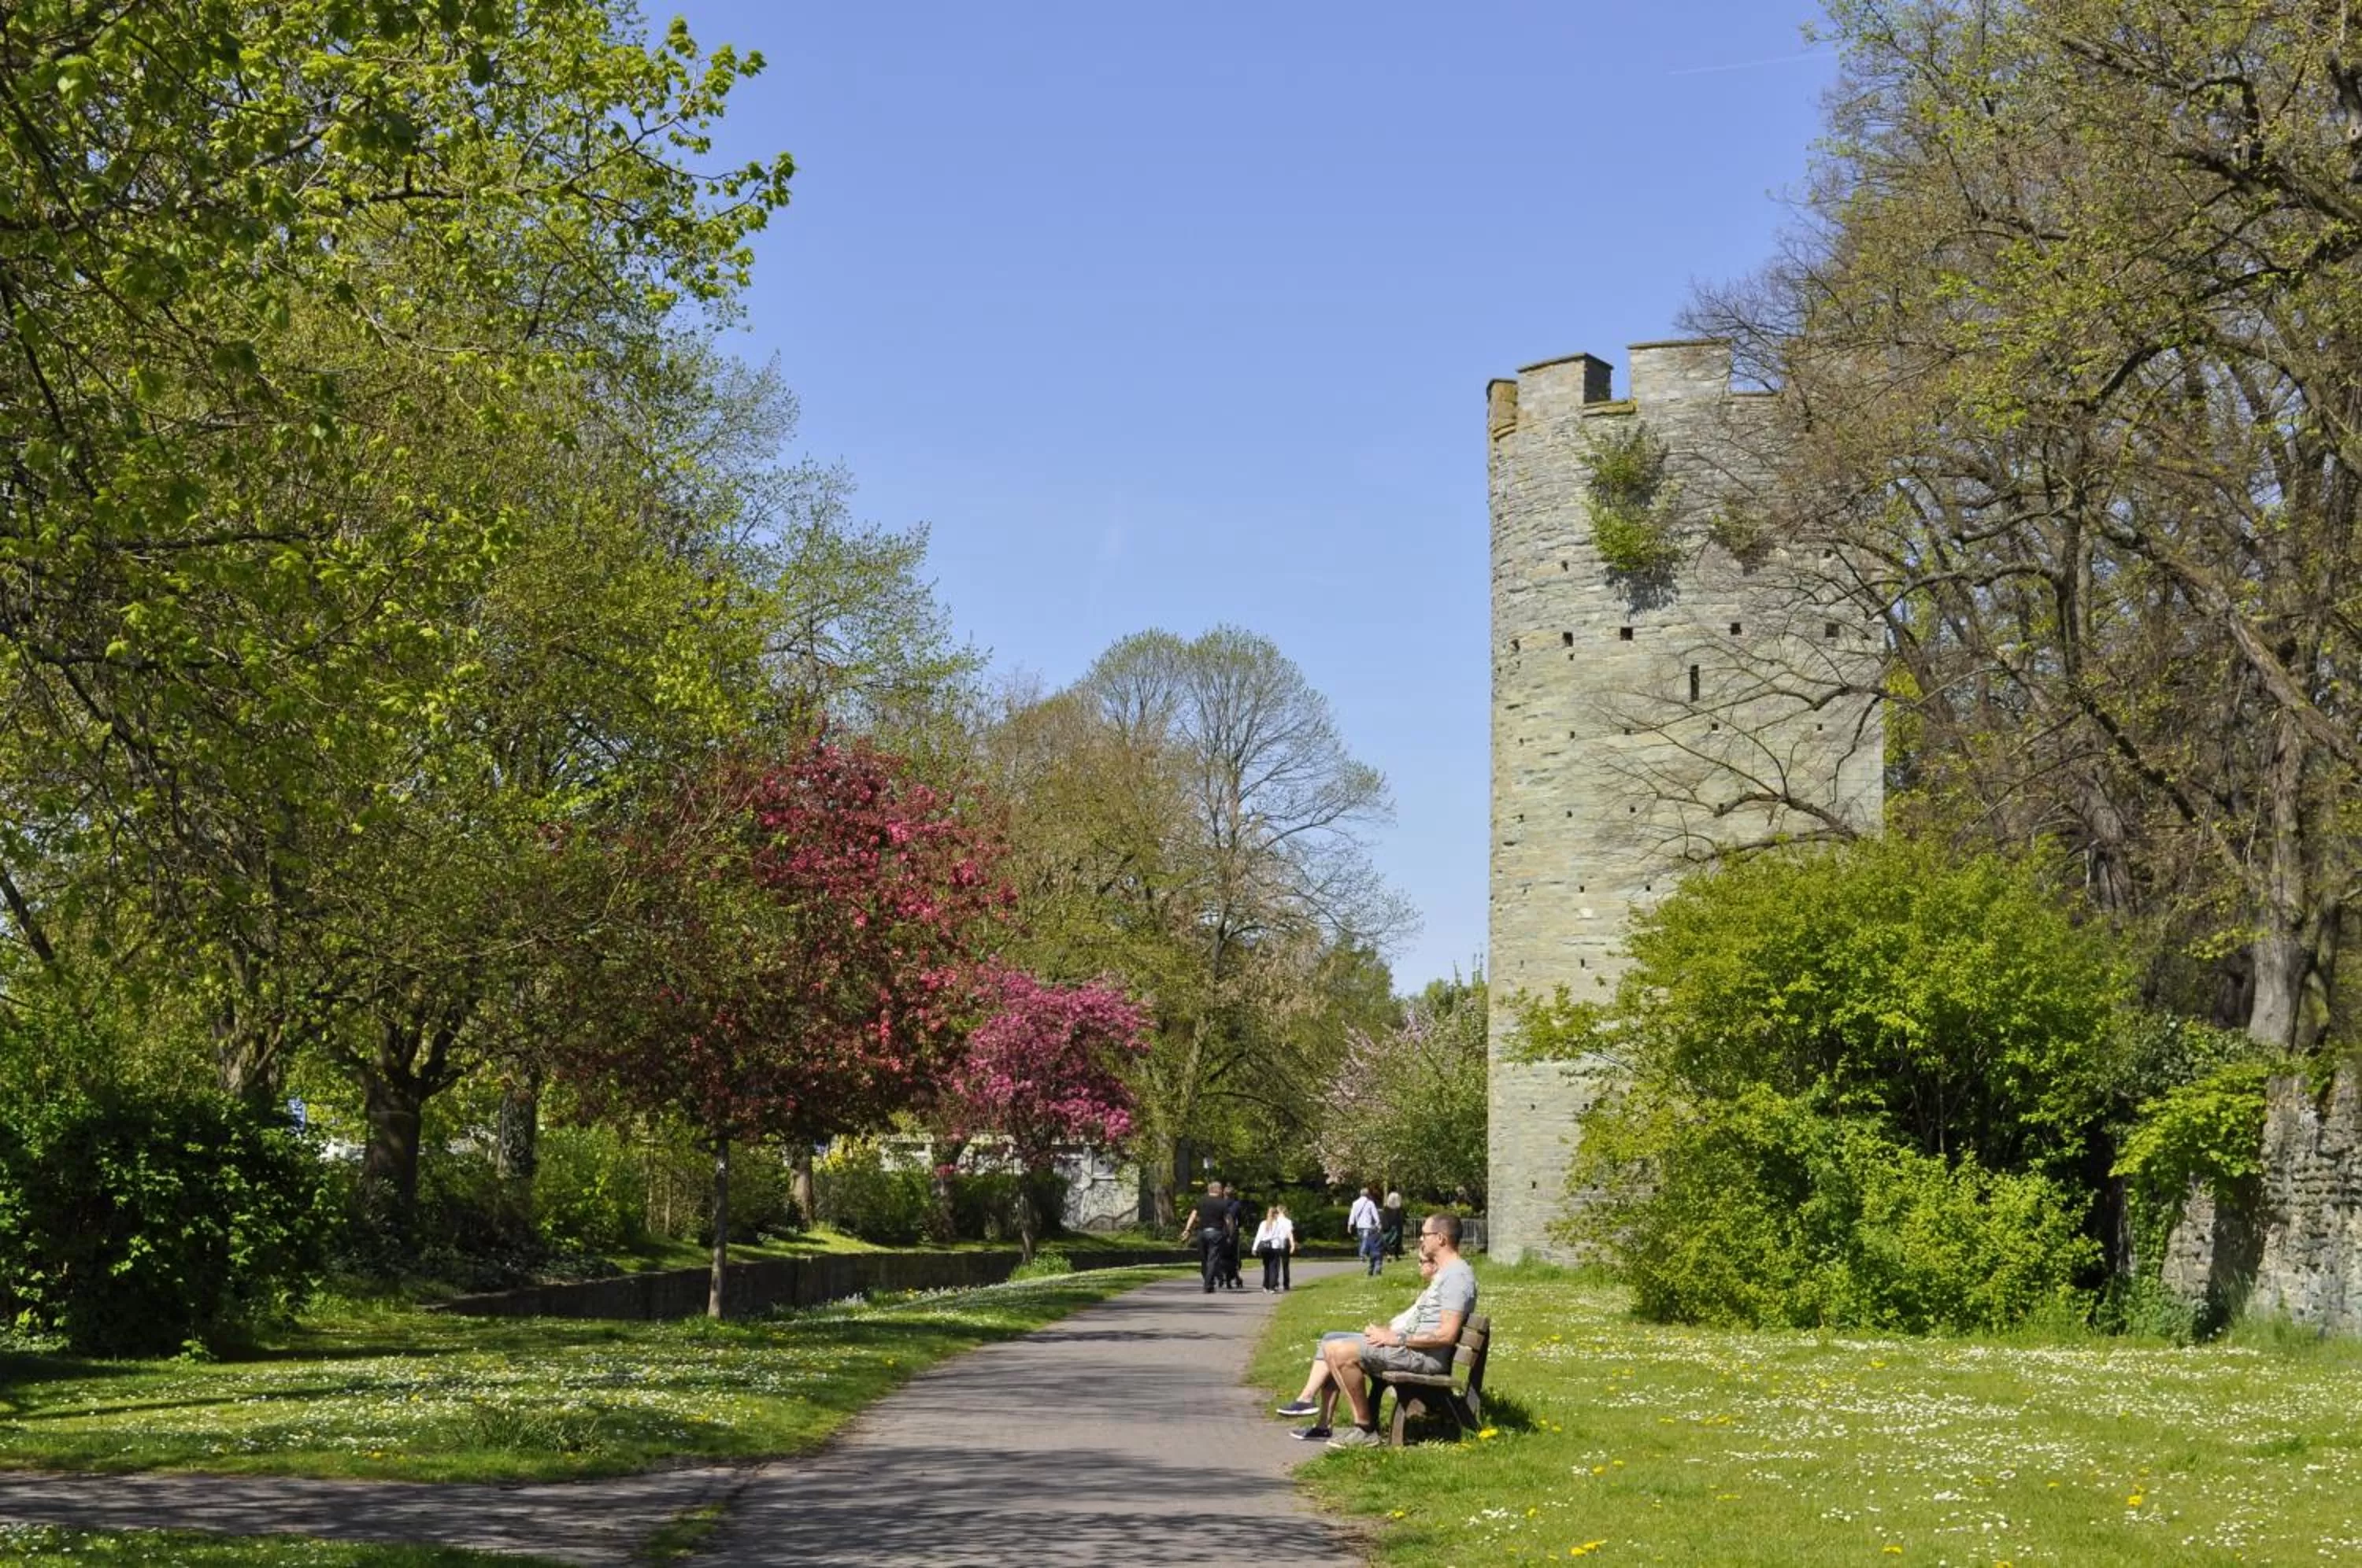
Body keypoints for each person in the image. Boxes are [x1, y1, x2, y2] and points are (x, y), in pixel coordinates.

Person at [1286, 1212, 1476, 1449]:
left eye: (1425, 1234)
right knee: (1330, 1341)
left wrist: (1395, 1338)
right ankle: (1333, 1421)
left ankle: (1365, 1429)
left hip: (1424, 1357)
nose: (1421, 1239)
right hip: (1413, 1349)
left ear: (1440, 1239)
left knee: (1340, 1351)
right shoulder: (1448, 1273)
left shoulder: (1457, 1276)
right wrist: (1388, 1333)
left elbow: (1446, 1335)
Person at [1272, 1252, 1435, 1437]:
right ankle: (1314, 1410)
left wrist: (1387, 1334)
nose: (1419, 1265)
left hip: (1398, 1343)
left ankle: (1313, 1405)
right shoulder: (1430, 1292)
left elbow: (1415, 1331)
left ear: (1434, 1265)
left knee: (1337, 1348)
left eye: (1422, 1261)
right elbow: (1405, 1323)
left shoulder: (1435, 1294)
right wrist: (1382, 1329)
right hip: (1391, 1337)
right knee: (1330, 1338)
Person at [1178, 1181, 1234, 1294]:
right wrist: (1230, 1233)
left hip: (1202, 1233)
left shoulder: (1202, 1201)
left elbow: (1193, 1215)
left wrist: (1187, 1230)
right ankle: (1208, 1284)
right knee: (1212, 1259)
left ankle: (1208, 1281)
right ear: (1218, 1190)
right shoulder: (1222, 1203)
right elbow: (1229, 1220)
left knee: (1204, 1259)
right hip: (1216, 1233)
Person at [1250, 1204, 1298, 1292]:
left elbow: (1259, 1236)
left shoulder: (1263, 1223)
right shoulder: (1278, 1225)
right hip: (1275, 1247)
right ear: (1276, 1214)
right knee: (1273, 1267)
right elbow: (1281, 1237)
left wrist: (1254, 1248)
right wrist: (1282, 1246)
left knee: (1266, 1267)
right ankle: (1272, 1286)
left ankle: (1266, 1285)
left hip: (1265, 1247)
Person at [1347, 1185, 1383, 1276]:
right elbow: (1375, 1213)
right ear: (1367, 1194)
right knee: (1365, 1240)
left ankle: (1362, 1254)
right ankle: (1362, 1254)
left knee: (1362, 1241)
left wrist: (1350, 1224)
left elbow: (1352, 1214)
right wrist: (1378, 1222)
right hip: (1367, 1225)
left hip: (1359, 1225)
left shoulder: (1355, 1203)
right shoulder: (1370, 1203)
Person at [1221, 1185, 1247, 1289]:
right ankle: (1232, 1276)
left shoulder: (1220, 1204)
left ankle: (1223, 1274)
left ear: (1224, 1194)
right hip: (1233, 1233)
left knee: (1222, 1254)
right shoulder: (1237, 1205)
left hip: (1222, 1231)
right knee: (1234, 1256)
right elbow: (1240, 1220)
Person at [1381, 1188, 1406, 1259]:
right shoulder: (1399, 1209)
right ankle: (1395, 1255)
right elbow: (1401, 1218)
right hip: (1396, 1227)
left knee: (1388, 1241)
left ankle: (1389, 1254)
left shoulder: (1386, 1208)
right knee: (1396, 1242)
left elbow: (1384, 1218)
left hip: (1388, 1227)